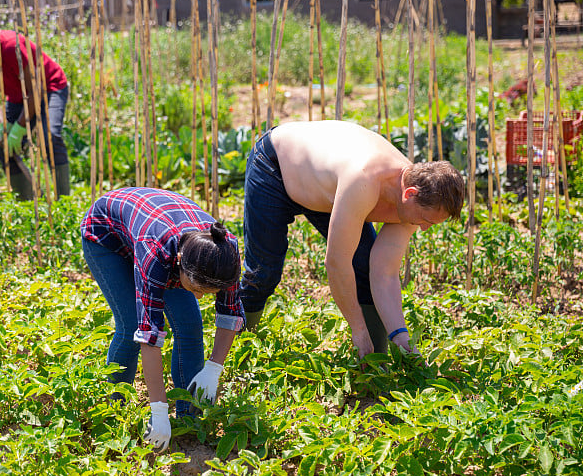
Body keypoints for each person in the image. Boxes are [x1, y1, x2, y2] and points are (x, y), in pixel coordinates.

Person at [241, 120, 464, 359]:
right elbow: (337, 263)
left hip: (325, 187)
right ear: (410, 194)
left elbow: (384, 271)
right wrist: (357, 331)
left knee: (364, 268)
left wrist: (400, 334)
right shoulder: (364, 180)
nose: (423, 228)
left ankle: (376, 360)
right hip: (275, 167)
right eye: (425, 220)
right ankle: (241, 346)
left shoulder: (412, 200)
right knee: (263, 272)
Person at [81, 187, 245, 451]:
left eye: (208, 292)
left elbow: (230, 312)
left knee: (190, 326)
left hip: (157, 227)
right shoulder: (155, 252)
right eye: (196, 290)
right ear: (179, 264)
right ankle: (114, 411)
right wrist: (158, 409)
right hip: (106, 235)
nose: (201, 298)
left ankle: (189, 418)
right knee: (131, 325)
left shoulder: (224, 254)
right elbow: (149, 334)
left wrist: (214, 368)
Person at [0, 27, 70, 199]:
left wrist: (19, 127)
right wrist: (4, 124)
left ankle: (63, 201)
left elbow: (35, 90)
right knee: (4, 148)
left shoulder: (8, 46)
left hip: (49, 87)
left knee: (49, 137)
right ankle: (27, 203)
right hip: (18, 97)